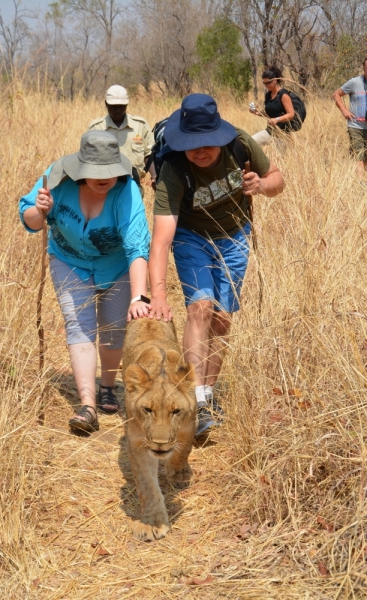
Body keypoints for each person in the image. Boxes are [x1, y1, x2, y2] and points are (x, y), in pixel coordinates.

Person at [148, 93, 285, 436]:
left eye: (207, 142)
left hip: (235, 235)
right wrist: (159, 295)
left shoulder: (240, 145)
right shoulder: (174, 169)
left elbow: (277, 181)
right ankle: (194, 401)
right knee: (200, 309)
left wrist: (261, 185)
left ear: (219, 135)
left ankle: (207, 395)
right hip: (191, 237)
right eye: (191, 143)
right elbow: (162, 238)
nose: (199, 150)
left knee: (222, 318)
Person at [19, 130, 151, 434]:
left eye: (108, 171)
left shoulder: (126, 189)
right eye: (95, 172)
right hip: (68, 260)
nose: (103, 178)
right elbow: (30, 220)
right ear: (81, 168)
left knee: (113, 328)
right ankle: (88, 405)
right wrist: (39, 211)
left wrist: (138, 296)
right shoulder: (56, 178)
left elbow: (136, 246)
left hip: (114, 265)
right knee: (79, 325)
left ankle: (107, 386)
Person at [88, 84, 156, 189]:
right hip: (104, 188)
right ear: (106, 104)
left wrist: (154, 176)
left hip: (134, 185)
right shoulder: (96, 128)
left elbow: (149, 154)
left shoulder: (140, 125)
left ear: (127, 104)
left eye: (121, 106)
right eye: (114, 107)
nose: (118, 110)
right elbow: (88, 158)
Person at [333, 58, 367, 180]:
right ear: (363, 69)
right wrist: (344, 111)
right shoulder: (354, 82)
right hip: (355, 125)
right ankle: (360, 183)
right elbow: (336, 94)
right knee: (359, 154)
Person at [250, 65, 295, 146]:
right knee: (251, 142)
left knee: (279, 157)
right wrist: (257, 113)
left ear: (274, 80)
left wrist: (277, 119)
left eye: (268, 83)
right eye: (264, 83)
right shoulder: (268, 95)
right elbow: (270, 115)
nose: (266, 85)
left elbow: (291, 114)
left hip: (283, 134)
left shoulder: (283, 95)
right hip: (270, 131)